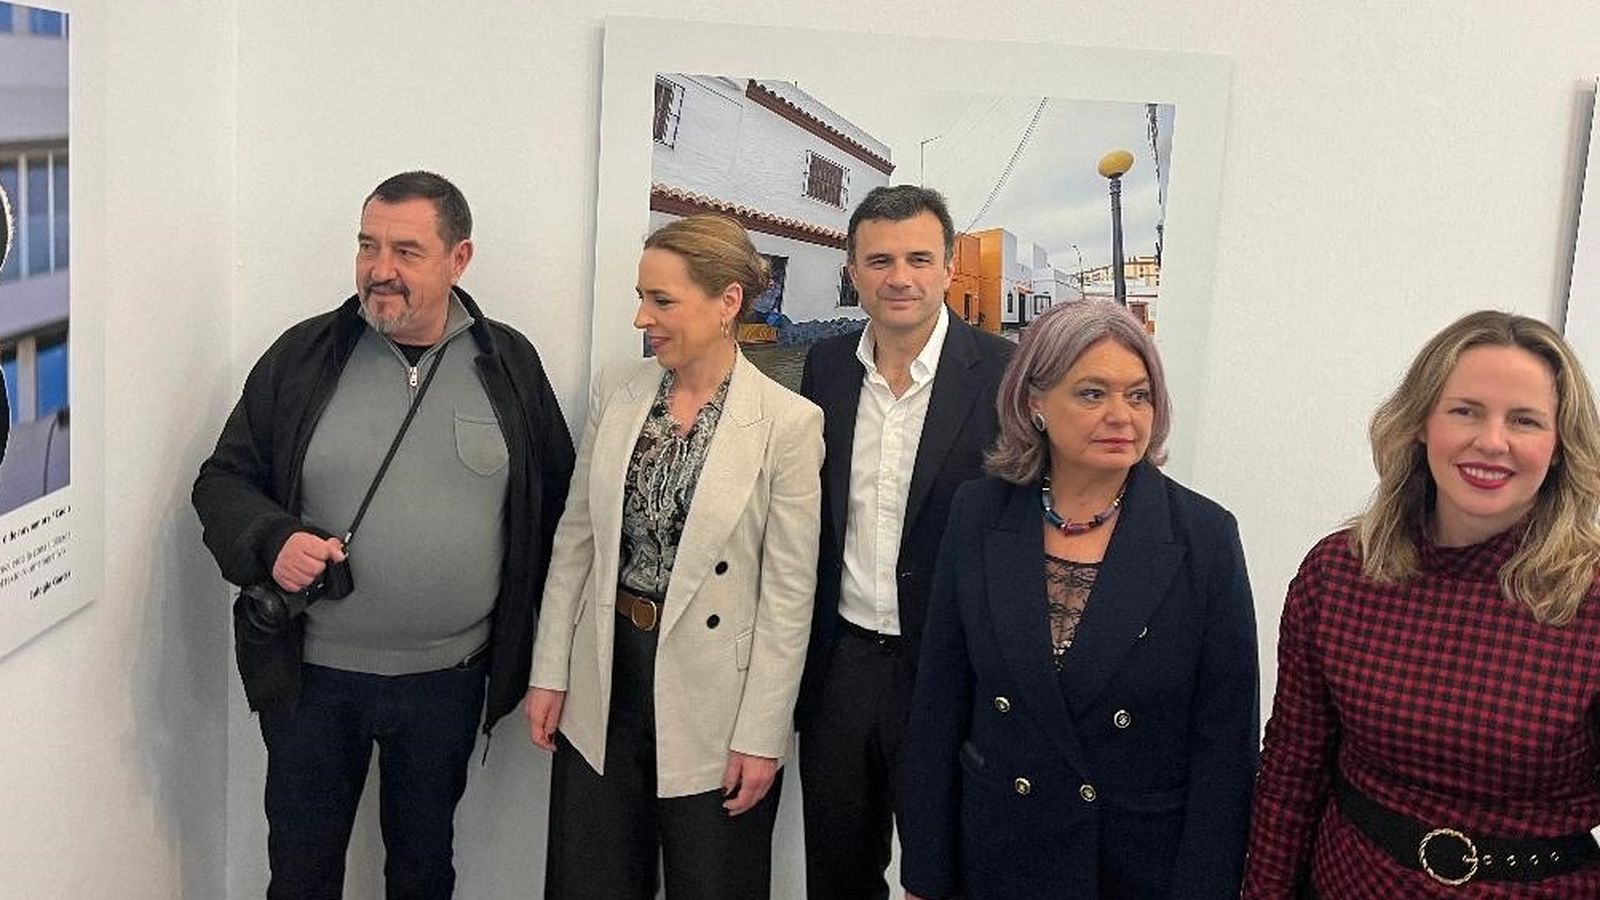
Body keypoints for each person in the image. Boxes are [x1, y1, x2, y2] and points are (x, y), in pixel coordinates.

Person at [192, 171, 575, 899]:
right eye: (368, 245)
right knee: (301, 874)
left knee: (424, 871)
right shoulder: (304, 356)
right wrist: (272, 539)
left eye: (407, 250)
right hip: (312, 679)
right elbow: (221, 482)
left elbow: (557, 511)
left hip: (449, 682)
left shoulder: (509, 365)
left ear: (459, 259)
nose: (381, 270)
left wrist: (551, 659)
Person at [899, 299, 1259, 899]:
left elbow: (1225, 748)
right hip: (997, 851)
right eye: (1093, 394)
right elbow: (940, 701)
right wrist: (926, 873)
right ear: (1035, 403)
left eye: (1138, 395)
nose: (1122, 415)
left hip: (1133, 864)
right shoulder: (977, 513)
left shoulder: (1204, 537)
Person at [1243, 310, 1600, 898]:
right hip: (1349, 882)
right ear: (1420, 424)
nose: (1492, 441)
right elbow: (1291, 771)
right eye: (1465, 411)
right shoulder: (1337, 574)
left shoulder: (1588, 600)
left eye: (1526, 420)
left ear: (1560, 447)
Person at [524, 214, 822, 898]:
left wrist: (762, 733)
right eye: (641, 297)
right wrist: (550, 671)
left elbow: (787, 594)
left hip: (718, 698)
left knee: (712, 881)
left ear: (727, 304)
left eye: (661, 301)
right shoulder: (619, 393)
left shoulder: (788, 424)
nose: (641, 318)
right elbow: (577, 541)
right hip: (607, 670)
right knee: (590, 879)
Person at [796, 184, 1014, 899]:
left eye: (919, 258)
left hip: (951, 672)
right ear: (853, 271)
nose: (900, 277)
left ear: (950, 266)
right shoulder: (824, 369)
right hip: (840, 669)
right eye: (880, 259)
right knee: (836, 870)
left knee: (941, 873)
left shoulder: (1006, 375)